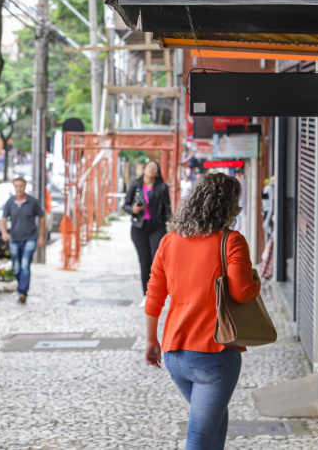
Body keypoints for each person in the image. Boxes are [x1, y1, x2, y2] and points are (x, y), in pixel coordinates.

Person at [144, 173, 261, 450]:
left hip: (174, 354)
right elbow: (242, 291)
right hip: (213, 355)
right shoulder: (231, 241)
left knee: (215, 423)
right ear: (229, 206)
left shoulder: (169, 241)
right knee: (199, 436)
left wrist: (152, 340)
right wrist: (255, 282)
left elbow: (154, 295)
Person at [122, 160, 172, 306]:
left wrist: (172, 227)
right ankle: (146, 295)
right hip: (139, 228)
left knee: (155, 262)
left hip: (157, 227)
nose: (151, 169)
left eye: (154, 167)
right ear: (144, 169)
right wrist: (133, 210)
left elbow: (167, 210)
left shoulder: (162, 187)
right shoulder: (135, 185)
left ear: (157, 172)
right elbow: (125, 204)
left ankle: (157, 293)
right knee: (144, 262)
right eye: (149, 166)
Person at [0, 176, 45, 304]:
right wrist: (4, 233)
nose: (19, 189)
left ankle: (22, 292)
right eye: (16, 186)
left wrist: (41, 236)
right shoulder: (10, 203)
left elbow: (42, 217)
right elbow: (3, 219)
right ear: (14, 187)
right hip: (14, 238)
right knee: (17, 267)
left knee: (25, 264)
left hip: (30, 238)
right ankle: (21, 287)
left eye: (21, 186)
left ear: (25, 186)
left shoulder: (32, 202)